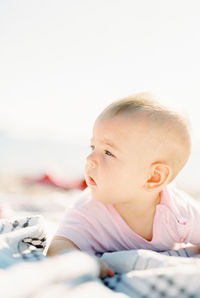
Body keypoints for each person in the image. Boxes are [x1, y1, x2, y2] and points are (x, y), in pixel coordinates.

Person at [47, 92, 200, 278]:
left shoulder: (179, 212)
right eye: (93, 147)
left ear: (154, 178)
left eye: (108, 153)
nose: (89, 159)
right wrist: (86, 262)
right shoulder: (88, 211)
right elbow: (58, 246)